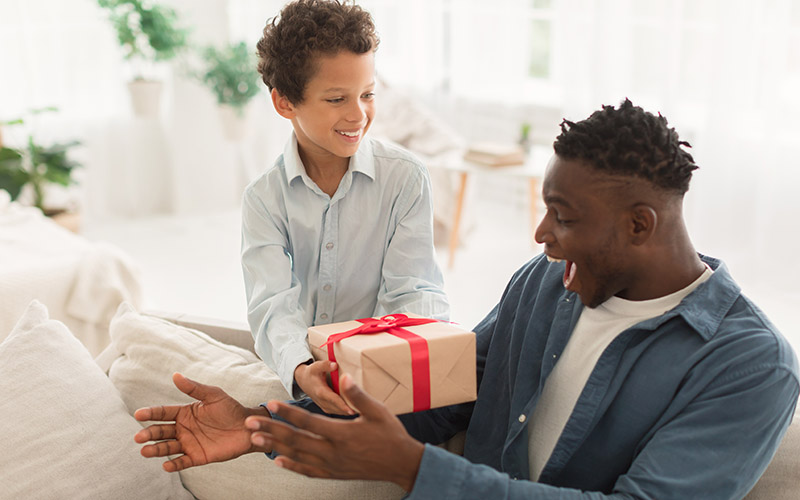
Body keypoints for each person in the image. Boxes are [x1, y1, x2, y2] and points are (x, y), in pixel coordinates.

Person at [135, 100, 799, 498]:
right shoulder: (543, 285)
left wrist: (415, 470)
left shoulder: (750, 367)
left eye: (562, 217)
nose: (541, 238)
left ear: (639, 225)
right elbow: (433, 396)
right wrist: (262, 422)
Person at [241, 0, 449, 415]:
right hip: (306, 368)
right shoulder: (264, 198)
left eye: (368, 94)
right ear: (284, 103)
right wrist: (301, 368)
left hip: (387, 365)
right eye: (337, 99)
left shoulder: (405, 178)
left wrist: (391, 360)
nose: (359, 115)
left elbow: (414, 289)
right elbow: (272, 305)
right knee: (284, 417)